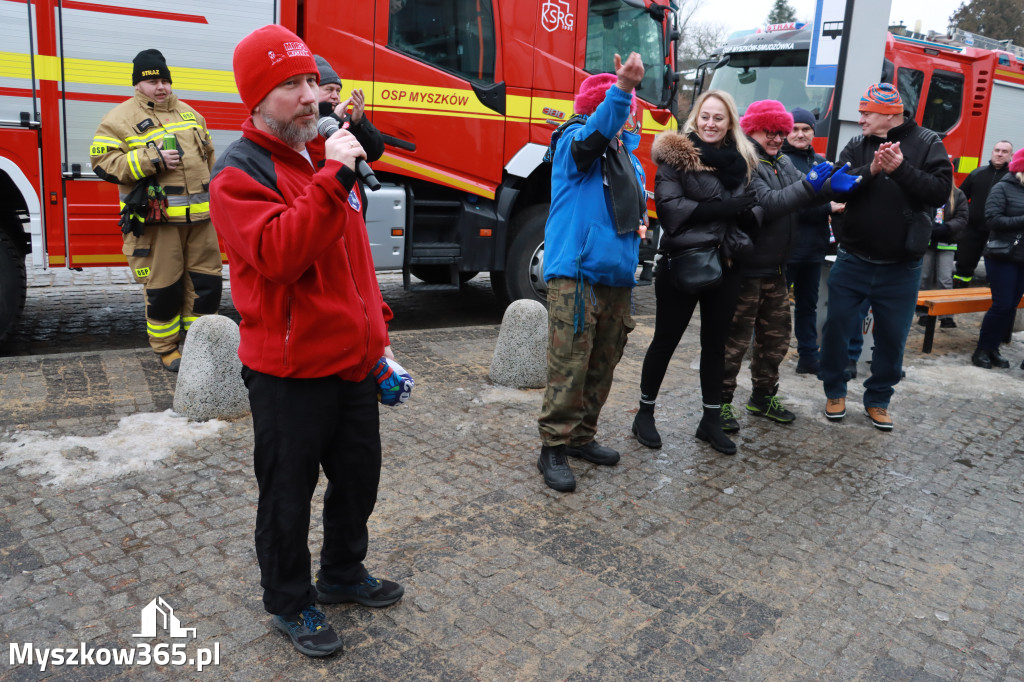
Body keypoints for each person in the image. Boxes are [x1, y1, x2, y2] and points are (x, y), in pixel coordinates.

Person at [209, 25, 403, 658]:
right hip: (288, 372)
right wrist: (334, 176)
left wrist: (377, 338)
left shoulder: (322, 156)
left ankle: (342, 572)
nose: (309, 96)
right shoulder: (239, 172)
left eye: (311, 82)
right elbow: (281, 254)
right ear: (257, 99)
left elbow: (353, 262)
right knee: (287, 497)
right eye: (290, 85)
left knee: (359, 480)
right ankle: (290, 601)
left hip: (352, 362)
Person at [536, 53, 646, 492]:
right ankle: (553, 446)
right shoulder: (574, 141)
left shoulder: (629, 159)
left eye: (627, 109)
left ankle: (581, 437)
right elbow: (595, 134)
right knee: (569, 364)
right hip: (576, 275)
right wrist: (622, 90)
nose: (627, 118)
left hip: (616, 278)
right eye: (621, 109)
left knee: (603, 364)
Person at [632, 89, 760, 455]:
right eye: (705, 116)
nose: (711, 124)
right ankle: (644, 414)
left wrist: (747, 215)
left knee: (715, 346)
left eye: (719, 118)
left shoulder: (743, 160)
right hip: (683, 262)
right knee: (665, 340)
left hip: (728, 262)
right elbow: (671, 211)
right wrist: (726, 208)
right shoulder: (676, 156)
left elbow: (756, 206)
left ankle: (710, 421)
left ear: (730, 122)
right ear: (695, 118)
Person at [819, 83, 952, 431]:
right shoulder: (857, 144)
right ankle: (835, 390)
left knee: (892, 339)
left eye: (867, 113)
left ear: (891, 115)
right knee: (836, 329)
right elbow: (835, 187)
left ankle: (878, 399)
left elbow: (939, 193)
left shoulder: (927, 143)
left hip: (901, 268)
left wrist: (900, 169)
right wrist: (873, 170)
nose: (860, 118)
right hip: (853, 260)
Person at [90, 49, 222, 372]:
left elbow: (210, 160)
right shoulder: (119, 119)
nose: (160, 87)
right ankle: (167, 349)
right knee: (164, 288)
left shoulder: (191, 114)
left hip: (201, 222)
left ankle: (201, 346)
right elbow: (102, 162)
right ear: (137, 85)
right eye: (152, 81)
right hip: (158, 223)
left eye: (164, 80)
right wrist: (151, 159)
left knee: (206, 286)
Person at [718, 100, 839, 435]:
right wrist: (811, 184)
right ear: (753, 129)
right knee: (734, 343)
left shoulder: (782, 161)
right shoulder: (744, 161)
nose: (775, 138)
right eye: (768, 132)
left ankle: (763, 397)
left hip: (776, 268)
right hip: (746, 269)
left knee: (775, 341)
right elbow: (771, 203)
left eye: (779, 132)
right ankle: (720, 402)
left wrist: (834, 185)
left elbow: (808, 192)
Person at [782, 107, 843, 376]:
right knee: (774, 306)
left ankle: (808, 357)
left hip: (813, 249)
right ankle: (763, 354)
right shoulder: (781, 162)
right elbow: (790, 206)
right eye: (794, 129)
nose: (800, 134)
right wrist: (827, 208)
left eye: (805, 129)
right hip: (786, 248)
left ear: (813, 132)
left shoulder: (821, 163)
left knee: (808, 306)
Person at [971, 147, 1024, 369]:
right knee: (1002, 304)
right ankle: (982, 350)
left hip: (1022, 258)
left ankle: (994, 349)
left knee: (1011, 306)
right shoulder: (1003, 187)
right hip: (1002, 255)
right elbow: (992, 220)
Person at [955, 141, 1013, 287]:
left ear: (1011, 155)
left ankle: (992, 295)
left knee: (996, 269)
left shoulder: (1014, 178)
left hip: (999, 232)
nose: (999, 154)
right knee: (963, 266)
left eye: (1004, 151)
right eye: (997, 150)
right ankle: (959, 291)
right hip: (972, 230)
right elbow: (959, 197)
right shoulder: (977, 173)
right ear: (992, 152)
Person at [917, 183, 968, 328]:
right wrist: (928, 226)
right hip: (927, 242)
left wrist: (947, 227)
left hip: (947, 241)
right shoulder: (927, 189)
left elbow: (962, 217)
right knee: (924, 278)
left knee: (945, 279)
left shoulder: (958, 194)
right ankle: (923, 313)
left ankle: (946, 316)